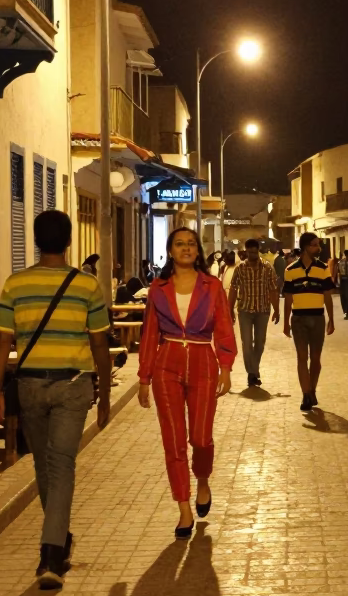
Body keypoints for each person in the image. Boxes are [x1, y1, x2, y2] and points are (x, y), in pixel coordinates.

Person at [0, 210, 111, 588]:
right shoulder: (87, 285)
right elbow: (99, 343)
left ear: (37, 240)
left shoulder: (15, 284)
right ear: (70, 240)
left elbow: (2, 341)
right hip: (72, 384)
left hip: (29, 386)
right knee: (56, 466)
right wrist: (104, 394)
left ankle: (53, 546)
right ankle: (53, 550)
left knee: (48, 465)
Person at [138, 228, 236, 537]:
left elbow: (223, 326)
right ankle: (183, 508)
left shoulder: (213, 286)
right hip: (166, 363)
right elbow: (149, 333)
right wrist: (144, 376)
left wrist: (226, 366)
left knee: (201, 438)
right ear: (170, 250)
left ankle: (203, 480)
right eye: (179, 244)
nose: (186, 248)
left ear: (198, 251)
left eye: (191, 244)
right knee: (174, 440)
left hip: (203, 362)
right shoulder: (158, 288)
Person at [283, 232, 335, 412]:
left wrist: (331, 320)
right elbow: (288, 298)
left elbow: (327, 295)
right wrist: (285, 323)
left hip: (318, 318)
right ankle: (306, 394)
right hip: (298, 319)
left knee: (315, 358)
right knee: (302, 357)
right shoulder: (290, 270)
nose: (317, 248)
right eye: (314, 245)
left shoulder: (322, 268)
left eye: (317, 244)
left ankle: (312, 389)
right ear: (305, 247)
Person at [229, 237, 279, 386]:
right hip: (245, 310)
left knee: (260, 342)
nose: (252, 255)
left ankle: (253, 369)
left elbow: (272, 290)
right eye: (249, 252)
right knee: (246, 343)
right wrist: (229, 309)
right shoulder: (240, 268)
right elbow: (233, 289)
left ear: (258, 251)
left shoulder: (267, 268)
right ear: (246, 252)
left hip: (262, 310)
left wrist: (277, 310)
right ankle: (252, 373)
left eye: (254, 252)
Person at [336, 249, 348, 319]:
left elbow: (338, 272)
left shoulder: (340, 262)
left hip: (342, 280)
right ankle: (347, 312)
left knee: (343, 296)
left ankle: (344, 312)